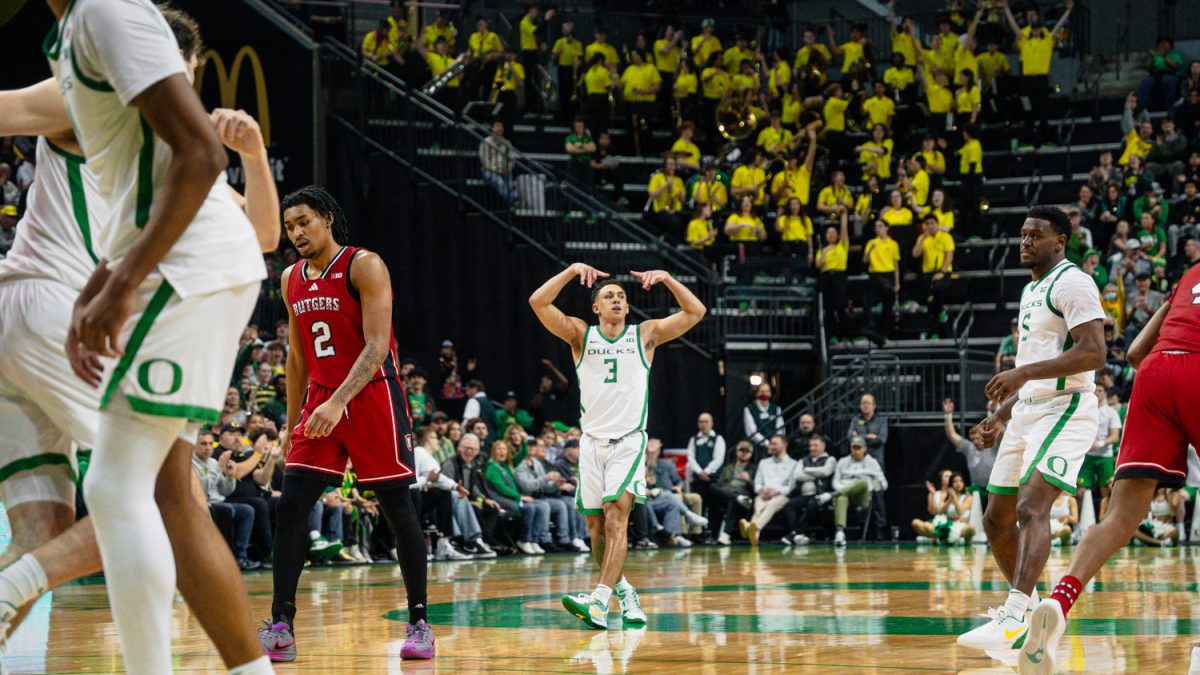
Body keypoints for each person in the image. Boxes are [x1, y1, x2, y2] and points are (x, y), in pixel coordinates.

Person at [43, 4, 276, 672]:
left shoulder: (106, 11)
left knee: (117, 485)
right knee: (167, 491)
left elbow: (202, 153)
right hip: (183, 266)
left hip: (187, 268)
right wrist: (105, 278)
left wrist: (121, 286)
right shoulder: (78, 29)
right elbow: (142, 182)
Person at [262, 187, 433, 662]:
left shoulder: (365, 264)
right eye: (289, 225)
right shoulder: (290, 278)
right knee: (292, 505)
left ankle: (419, 623)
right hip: (320, 403)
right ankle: (281, 624)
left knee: (398, 511)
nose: (295, 232)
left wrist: (339, 402)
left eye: (303, 222)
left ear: (327, 219)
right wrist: (291, 423)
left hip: (373, 395)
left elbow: (378, 345)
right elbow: (297, 356)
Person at [1017, 255, 1200, 672]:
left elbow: (1136, 352)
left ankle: (1060, 600)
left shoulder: (1190, 273)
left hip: (1154, 375)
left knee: (1119, 518)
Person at [957, 205, 1105, 655]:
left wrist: (1021, 377)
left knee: (1031, 505)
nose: (1025, 242)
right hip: (1027, 412)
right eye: (1022, 235)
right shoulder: (1031, 290)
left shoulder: (1074, 282)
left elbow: (1095, 351)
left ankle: (1015, 614)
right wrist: (999, 419)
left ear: (1060, 241)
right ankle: (1029, 614)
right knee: (994, 519)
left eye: (1035, 235)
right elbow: (1030, 367)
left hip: (1066, 407)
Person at [530, 262, 705, 630]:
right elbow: (538, 302)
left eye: (622, 297)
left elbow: (696, 312)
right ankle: (625, 593)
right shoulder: (581, 335)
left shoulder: (644, 335)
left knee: (615, 517)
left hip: (628, 440)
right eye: (609, 295)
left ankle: (597, 601)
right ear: (596, 307)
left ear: (627, 308)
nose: (616, 300)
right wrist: (570, 271)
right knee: (595, 531)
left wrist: (669, 279)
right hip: (591, 442)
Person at [1000, 0, 1074, 147]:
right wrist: (1006, 9)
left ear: (1041, 29)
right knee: (1028, 111)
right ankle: (1027, 140)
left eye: (1038, 29)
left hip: (1041, 80)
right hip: (1027, 81)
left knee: (1043, 112)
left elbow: (1059, 25)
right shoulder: (1025, 41)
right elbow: (1015, 28)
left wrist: (1068, 11)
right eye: (1033, 29)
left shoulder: (1047, 41)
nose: (1035, 31)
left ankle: (1045, 140)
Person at [738, 435, 796, 546]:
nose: (771, 446)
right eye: (770, 443)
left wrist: (776, 491)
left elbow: (791, 487)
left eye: (775, 444)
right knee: (758, 507)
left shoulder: (793, 463)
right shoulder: (763, 463)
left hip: (781, 495)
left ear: (784, 445)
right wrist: (762, 491)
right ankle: (754, 534)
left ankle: (752, 527)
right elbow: (757, 483)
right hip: (763, 494)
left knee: (772, 504)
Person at [830, 436, 888, 546]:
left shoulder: (872, 462)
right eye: (853, 448)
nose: (855, 451)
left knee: (862, 482)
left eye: (858, 448)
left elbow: (884, 485)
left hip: (863, 496)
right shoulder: (842, 461)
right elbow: (835, 482)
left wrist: (878, 484)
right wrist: (843, 490)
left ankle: (832, 495)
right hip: (845, 493)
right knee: (841, 498)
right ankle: (840, 533)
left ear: (865, 448)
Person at [781, 435, 836, 545]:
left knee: (813, 504)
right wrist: (816, 474)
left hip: (821, 494)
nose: (812, 448)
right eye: (811, 445)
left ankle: (795, 533)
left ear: (823, 446)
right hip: (803, 494)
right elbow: (797, 475)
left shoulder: (830, 459)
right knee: (789, 505)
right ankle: (799, 535)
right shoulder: (803, 460)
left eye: (816, 445)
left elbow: (826, 472)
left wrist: (807, 470)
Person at [912, 215, 956, 338]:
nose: (930, 226)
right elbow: (915, 254)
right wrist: (922, 238)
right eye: (927, 224)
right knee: (930, 303)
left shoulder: (946, 237)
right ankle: (936, 325)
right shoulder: (922, 238)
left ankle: (940, 319)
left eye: (932, 223)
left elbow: (949, 257)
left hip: (943, 272)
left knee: (936, 291)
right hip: (928, 274)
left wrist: (941, 272)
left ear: (937, 224)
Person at [942, 399, 997, 492]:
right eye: (972, 439)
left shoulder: (994, 445)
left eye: (977, 438)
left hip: (993, 489)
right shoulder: (969, 448)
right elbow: (951, 434)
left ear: (983, 435)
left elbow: (1000, 426)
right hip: (976, 489)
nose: (975, 442)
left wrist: (995, 412)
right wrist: (948, 415)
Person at [912, 470, 975, 544]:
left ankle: (941, 539)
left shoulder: (968, 497)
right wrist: (949, 500)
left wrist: (954, 497)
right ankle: (945, 538)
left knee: (971, 528)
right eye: (955, 481)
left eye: (961, 481)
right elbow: (939, 512)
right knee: (919, 523)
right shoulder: (945, 496)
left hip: (961, 525)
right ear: (951, 484)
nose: (958, 483)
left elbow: (960, 511)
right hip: (947, 525)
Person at [863, 220, 900, 339]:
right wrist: (870, 250)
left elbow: (895, 265)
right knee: (867, 302)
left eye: (880, 226)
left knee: (887, 305)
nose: (878, 228)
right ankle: (869, 328)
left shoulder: (893, 244)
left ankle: (883, 333)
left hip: (888, 275)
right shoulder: (871, 242)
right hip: (874, 275)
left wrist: (897, 282)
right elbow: (865, 260)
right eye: (876, 227)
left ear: (886, 228)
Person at [685, 412, 725, 522]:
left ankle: (713, 532)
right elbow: (691, 458)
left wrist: (707, 472)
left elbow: (719, 459)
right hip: (698, 480)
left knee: (714, 507)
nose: (703, 424)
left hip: (713, 479)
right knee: (698, 507)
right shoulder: (694, 439)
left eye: (706, 422)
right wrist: (700, 472)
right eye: (701, 422)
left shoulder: (718, 438)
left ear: (712, 423)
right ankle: (698, 534)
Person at [743, 382, 784, 459]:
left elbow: (780, 428)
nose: (764, 394)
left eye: (767, 391)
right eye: (762, 391)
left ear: (770, 394)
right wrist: (767, 443)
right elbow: (751, 432)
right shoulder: (749, 409)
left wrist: (775, 443)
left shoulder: (776, 409)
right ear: (757, 394)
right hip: (758, 447)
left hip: (775, 445)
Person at [848, 393, 888, 469]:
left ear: (874, 406)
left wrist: (859, 437)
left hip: (876, 459)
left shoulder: (882, 420)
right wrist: (868, 436)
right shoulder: (855, 420)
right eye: (863, 403)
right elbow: (850, 437)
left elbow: (882, 439)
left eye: (868, 403)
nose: (865, 405)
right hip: (858, 460)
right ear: (860, 406)